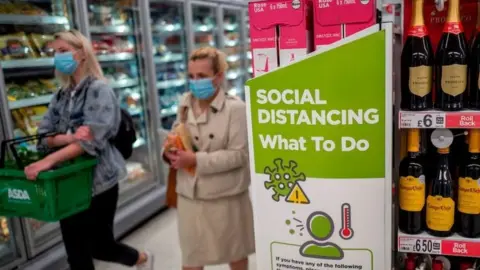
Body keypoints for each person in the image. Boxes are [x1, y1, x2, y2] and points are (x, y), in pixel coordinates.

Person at [23, 30, 154, 270]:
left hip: (99, 182)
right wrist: (71, 137)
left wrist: (48, 159)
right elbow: (42, 137)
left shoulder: (99, 91)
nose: (57, 56)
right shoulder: (61, 96)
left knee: (100, 246)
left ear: (82, 53)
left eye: (63, 51)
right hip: (68, 181)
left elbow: (90, 143)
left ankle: (141, 259)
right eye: (55, 52)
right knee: (76, 253)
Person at [163, 47, 255, 270]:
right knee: (192, 257)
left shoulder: (236, 109)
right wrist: (168, 150)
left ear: (219, 76)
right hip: (190, 195)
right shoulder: (186, 103)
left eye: (202, 76)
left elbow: (239, 155)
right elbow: (178, 133)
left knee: (236, 254)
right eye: (191, 76)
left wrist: (195, 160)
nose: (195, 82)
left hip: (226, 197)